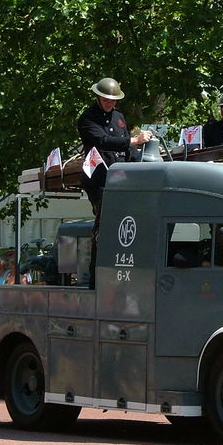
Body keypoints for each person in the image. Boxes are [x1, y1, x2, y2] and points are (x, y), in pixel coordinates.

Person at [77, 77, 153, 288]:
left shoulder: (118, 117)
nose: (110, 104)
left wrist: (140, 162)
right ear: (98, 98)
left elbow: (127, 148)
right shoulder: (87, 118)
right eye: (106, 100)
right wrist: (134, 140)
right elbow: (103, 141)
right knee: (104, 225)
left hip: (121, 178)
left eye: (113, 100)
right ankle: (96, 281)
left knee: (127, 224)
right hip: (100, 179)